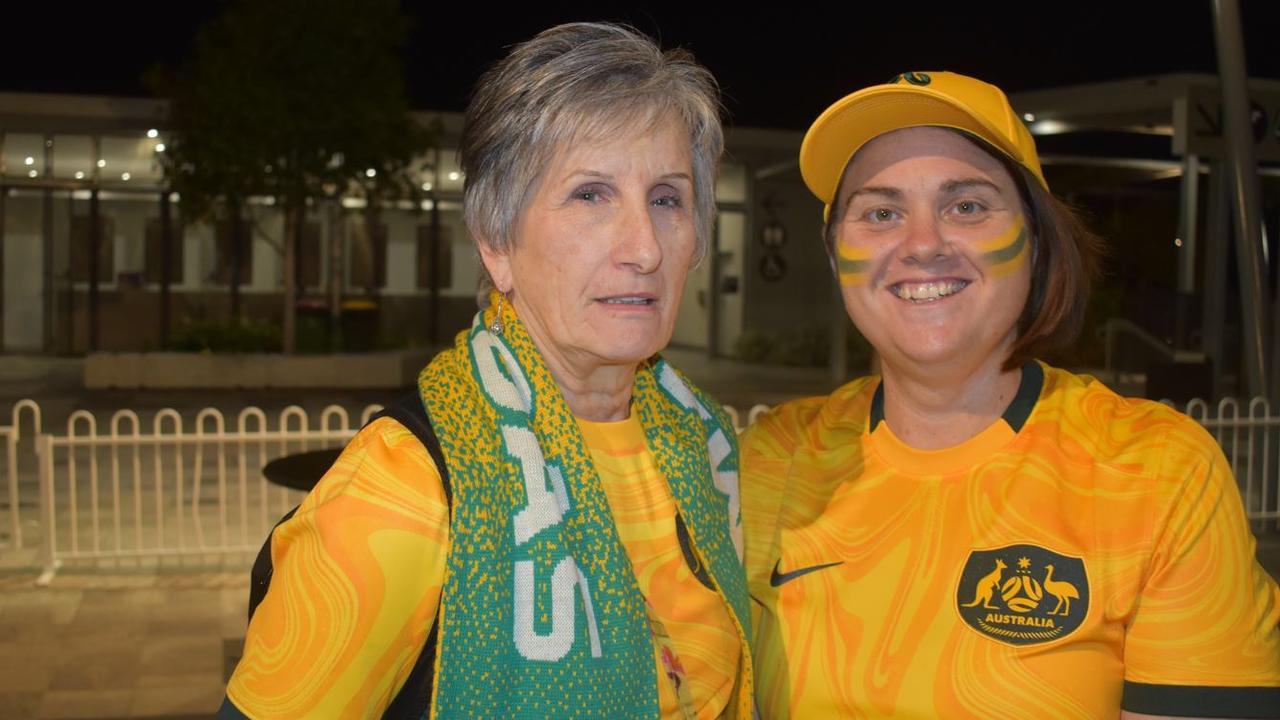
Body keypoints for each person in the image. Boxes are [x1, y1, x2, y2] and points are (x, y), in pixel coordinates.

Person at [222, 23, 752, 719]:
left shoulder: (705, 444)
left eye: (667, 198)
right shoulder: (401, 491)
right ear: (496, 240)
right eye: (590, 195)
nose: (644, 247)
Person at [741, 71, 1280, 719]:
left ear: (1037, 239)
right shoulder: (769, 458)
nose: (921, 245)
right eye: (881, 213)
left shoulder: (1159, 474)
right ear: (835, 259)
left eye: (966, 205)